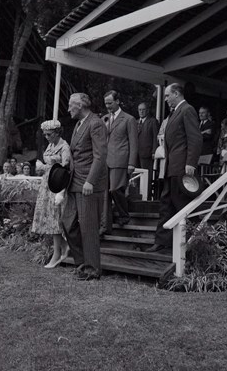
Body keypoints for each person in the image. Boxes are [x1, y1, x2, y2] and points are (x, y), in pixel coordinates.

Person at [145, 83, 202, 253]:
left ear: (176, 94)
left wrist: (190, 163)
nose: (165, 99)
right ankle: (161, 241)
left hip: (181, 167)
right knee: (165, 204)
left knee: (182, 204)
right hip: (170, 168)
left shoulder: (187, 110)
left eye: (167, 95)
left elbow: (195, 139)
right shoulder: (175, 112)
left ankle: (194, 242)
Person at [61, 93, 107, 281]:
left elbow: (100, 155)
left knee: (88, 227)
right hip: (74, 182)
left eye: (71, 106)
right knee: (67, 223)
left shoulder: (95, 123)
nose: (68, 109)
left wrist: (91, 181)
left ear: (80, 106)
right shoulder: (78, 125)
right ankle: (82, 263)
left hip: (88, 184)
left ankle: (92, 269)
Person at [31, 119, 71, 269]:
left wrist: (61, 191)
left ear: (57, 133)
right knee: (50, 220)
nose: (46, 137)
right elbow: (49, 165)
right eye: (45, 134)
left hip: (57, 187)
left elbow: (64, 170)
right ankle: (64, 246)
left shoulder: (64, 147)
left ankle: (57, 254)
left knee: (55, 221)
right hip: (46, 186)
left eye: (49, 134)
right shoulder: (51, 145)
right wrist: (42, 167)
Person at [102, 90, 138, 232]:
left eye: (110, 103)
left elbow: (134, 143)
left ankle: (124, 214)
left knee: (115, 189)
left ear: (117, 101)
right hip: (105, 161)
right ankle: (106, 224)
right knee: (105, 193)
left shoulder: (129, 119)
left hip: (120, 160)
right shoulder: (104, 119)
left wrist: (131, 163)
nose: (108, 106)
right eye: (106, 104)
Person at [137, 102, 159, 200]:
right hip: (136, 154)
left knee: (147, 176)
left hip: (147, 153)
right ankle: (138, 196)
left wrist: (154, 151)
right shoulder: (136, 122)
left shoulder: (153, 121)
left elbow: (155, 137)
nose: (141, 112)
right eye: (140, 110)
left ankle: (147, 197)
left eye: (143, 109)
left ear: (147, 110)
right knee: (136, 176)